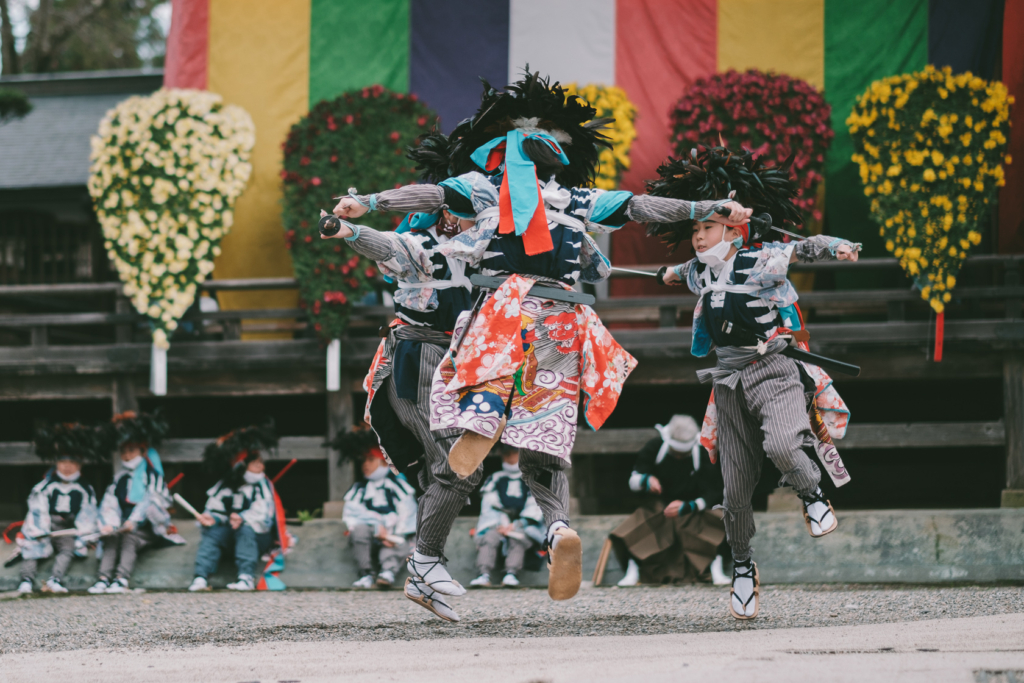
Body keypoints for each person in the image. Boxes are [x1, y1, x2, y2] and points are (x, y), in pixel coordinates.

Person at [328, 69, 752, 604]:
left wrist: (701, 210)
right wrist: (367, 207)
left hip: (517, 314)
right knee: (535, 431)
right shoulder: (523, 196)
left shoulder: (562, 200)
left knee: (519, 431)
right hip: (537, 320)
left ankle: (533, 511)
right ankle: (538, 509)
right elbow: (430, 196)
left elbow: (638, 206)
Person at [650, 144, 859, 620]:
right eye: (695, 230)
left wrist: (838, 246)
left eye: (707, 228)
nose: (699, 238)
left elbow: (805, 246)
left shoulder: (764, 258)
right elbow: (680, 271)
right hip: (728, 382)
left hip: (774, 369)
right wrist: (666, 274)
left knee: (786, 445)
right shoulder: (700, 270)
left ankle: (811, 493)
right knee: (735, 490)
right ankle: (742, 567)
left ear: (733, 227)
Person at [320, 132, 483, 621]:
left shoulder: (488, 246)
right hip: (418, 360)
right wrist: (348, 232)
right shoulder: (420, 246)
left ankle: (424, 567)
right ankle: (425, 562)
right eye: (467, 209)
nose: (476, 219)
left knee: (454, 470)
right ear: (447, 209)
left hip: (468, 363)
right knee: (456, 464)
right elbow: (384, 242)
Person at [613, 414, 729, 588]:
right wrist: (646, 480)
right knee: (643, 521)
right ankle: (634, 567)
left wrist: (691, 506)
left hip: (695, 506)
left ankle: (715, 567)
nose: (680, 457)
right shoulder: (655, 447)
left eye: (684, 453)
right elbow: (633, 481)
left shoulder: (705, 451)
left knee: (720, 521)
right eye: (676, 453)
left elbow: (715, 491)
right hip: (661, 506)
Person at [89, 411, 184, 594]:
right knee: (111, 538)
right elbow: (110, 502)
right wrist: (109, 524)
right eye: (123, 451)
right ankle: (103, 578)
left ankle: (121, 578)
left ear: (142, 450)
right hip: (122, 524)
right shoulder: (120, 478)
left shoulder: (153, 476)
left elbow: (153, 501)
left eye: (131, 450)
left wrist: (134, 521)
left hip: (147, 528)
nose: (126, 456)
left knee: (128, 539)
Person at [188, 424, 279, 592]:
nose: (262, 466)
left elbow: (264, 514)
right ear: (241, 465)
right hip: (230, 535)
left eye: (261, 462)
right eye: (256, 462)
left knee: (245, 529)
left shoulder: (261, 487)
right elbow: (216, 509)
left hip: (257, 537)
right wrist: (212, 518)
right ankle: (201, 577)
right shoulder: (225, 487)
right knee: (212, 533)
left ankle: (246, 577)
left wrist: (242, 518)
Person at [17, 422, 102, 594]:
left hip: (68, 529)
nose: (67, 466)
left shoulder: (84, 488)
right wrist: (40, 528)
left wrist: (81, 530)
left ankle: (55, 579)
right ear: (56, 463)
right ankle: (26, 579)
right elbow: (37, 506)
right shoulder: (47, 485)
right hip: (46, 525)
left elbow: (88, 511)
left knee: (67, 550)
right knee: (32, 547)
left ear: (80, 464)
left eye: (72, 462)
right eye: (63, 461)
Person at [332, 427, 417, 590]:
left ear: (384, 462)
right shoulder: (359, 489)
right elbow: (352, 512)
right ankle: (366, 574)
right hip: (372, 529)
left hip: (394, 531)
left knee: (398, 541)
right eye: (364, 460)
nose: (365, 465)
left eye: (371, 459)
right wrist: (377, 525)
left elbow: (408, 513)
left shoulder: (398, 487)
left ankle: (388, 572)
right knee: (358, 530)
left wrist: (391, 534)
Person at [469, 445, 545, 589]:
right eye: (507, 454)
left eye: (514, 453)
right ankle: (483, 574)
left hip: (525, 525)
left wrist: (517, 524)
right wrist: (502, 525)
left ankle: (511, 573)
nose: (510, 457)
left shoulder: (533, 477)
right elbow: (490, 504)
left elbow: (535, 505)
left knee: (517, 537)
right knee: (489, 538)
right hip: (499, 523)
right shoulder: (495, 478)